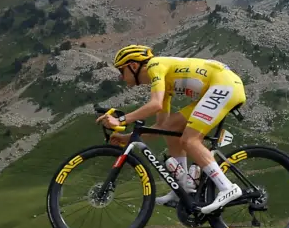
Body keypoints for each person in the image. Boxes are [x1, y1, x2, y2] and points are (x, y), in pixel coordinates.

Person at [96, 44, 246, 214]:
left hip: (224, 85)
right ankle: (181, 189)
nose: (122, 77)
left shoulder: (155, 66)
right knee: (171, 126)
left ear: (134, 66)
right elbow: (161, 126)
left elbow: (155, 104)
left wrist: (120, 120)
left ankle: (227, 187)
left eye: (122, 71)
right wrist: (127, 137)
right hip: (218, 86)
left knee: (190, 140)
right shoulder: (163, 81)